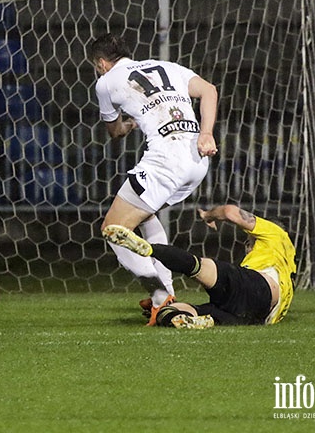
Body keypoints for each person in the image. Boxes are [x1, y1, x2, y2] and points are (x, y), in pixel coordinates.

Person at [88, 33, 218, 325]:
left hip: (165, 162)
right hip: (198, 159)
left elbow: (114, 131)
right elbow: (209, 90)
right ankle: (168, 293)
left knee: (113, 229)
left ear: (102, 63)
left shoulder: (106, 82)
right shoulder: (169, 67)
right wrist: (206, 133)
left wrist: (127, 126)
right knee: (146, 215)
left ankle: (162, 298)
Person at [103, 204, 297, 328]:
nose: (248, 247)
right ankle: (191, 320)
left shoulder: (276, 233)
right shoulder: (289, 269)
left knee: (199, 266)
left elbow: (230, 212)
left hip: (255, 287)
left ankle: (149, 249)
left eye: (249, 242)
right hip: (252, 317)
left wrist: (209, 215)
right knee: (169, 312)